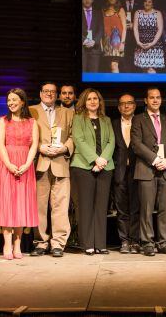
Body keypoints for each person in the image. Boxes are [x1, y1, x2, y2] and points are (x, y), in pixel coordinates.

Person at [130, 87, 166, 256]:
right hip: (146, 169)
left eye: (158, 97)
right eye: (152, 98)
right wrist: (155, 159)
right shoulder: (138, 119)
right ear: (146, 100)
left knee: (165, 209)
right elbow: (136, 144)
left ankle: (163, 243)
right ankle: (147, 243)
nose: (155, 100)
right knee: (146, 209)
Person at [28, 82, 74, 257]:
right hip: (40, 162)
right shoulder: (31, 111)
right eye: (46, 91)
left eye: (53, 92)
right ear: (40, 94)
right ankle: (40, 242)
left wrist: (64, 148)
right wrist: (39, 147)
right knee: (39, 206)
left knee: (60, 206)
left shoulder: (68, 112)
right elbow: (25, 135)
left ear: (57, 95)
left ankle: (58, 244)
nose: (49, 94)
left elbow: (73, 136)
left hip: (61, 162)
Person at [0, 88, 39, 260]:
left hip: (25, 164)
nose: (11, 103)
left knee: (21, 204)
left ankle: (17, 244)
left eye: (14, 100)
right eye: (9, 100)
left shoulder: (32, 122)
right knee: (7, 203)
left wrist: (27, 164)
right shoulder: (3, 121)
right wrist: (9, 164)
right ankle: (6, 243)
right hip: (6, 164)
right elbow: (0, 145)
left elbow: (34, 145)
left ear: (22, 102)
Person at [71, 88, 115, 255]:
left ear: (99, 101)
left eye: (95, 98)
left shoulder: (106, 120)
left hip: (105, 167)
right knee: (86, 206)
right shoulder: (78, 119)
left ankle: (101, 244)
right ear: (84, 101)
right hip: (83, 166)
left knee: (101, 207)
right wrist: (95, 159)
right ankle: (88, 244)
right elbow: (79, 140)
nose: (92, 101)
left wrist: (102, 160)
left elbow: (111, 141)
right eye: (89, 99)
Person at [112, 93, 140, 253]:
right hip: (119, 171)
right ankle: (124, 241)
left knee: (136, 208)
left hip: (138, 171)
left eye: (129, 103)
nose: (126, 106)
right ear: (118, 107)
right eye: (123, 104)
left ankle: (135, 241)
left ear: (134, 106)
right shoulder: (113, 124)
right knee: (121, 209)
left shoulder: (142, 121)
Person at [133, 0, 165, 73]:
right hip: (141, 45)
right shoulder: (138, 12)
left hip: (154, 46)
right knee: (144, 68)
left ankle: (154, 84)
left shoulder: (157, 13)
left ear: (153, 3)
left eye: (149, 2)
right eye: (145, 1)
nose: (147, 3)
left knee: (151, 69)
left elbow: (160, 29)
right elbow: (135, 28)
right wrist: (138, 42)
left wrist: (152, 43)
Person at [102, 0, 128, 73]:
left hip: (116, 41)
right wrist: (101, 43)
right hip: (105, 40)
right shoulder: (104, 10)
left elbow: (124, 28)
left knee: (114, 65)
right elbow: (102, 27)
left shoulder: (120, 10)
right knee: (109, 66)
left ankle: (117, 85)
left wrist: (122, 43)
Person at [81, 0, 104, 73]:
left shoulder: (98, 13)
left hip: (95, 49)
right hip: (82, 49)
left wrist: (94, 41)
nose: (87, 1)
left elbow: (101, 29)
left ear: (92, 0)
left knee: (93, 75)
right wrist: (85, 40)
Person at [122, 0, 139, 73]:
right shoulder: (120, 4)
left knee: (135, 58)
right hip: (124, 36)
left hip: (136, 37)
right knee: (125, 59)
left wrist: (135, 25)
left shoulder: (139, 4)